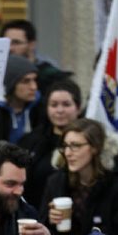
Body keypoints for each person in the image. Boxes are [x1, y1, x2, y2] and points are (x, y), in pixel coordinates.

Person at [19, 78, 82, 208]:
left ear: (78, 108)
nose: (59, 110)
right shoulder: (31, 141)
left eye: (66, 104)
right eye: (53, 105)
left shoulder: (89, 141)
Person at [0, 18, 72, 93]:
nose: (10, 48)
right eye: (6, 43)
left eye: (16, 43)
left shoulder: (50, 75)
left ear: (31, 44)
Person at [0, 55, 41, 144]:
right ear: (10, 85)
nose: (34, 87)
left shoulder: (40, 106)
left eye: (34, 80)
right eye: (26, 81)